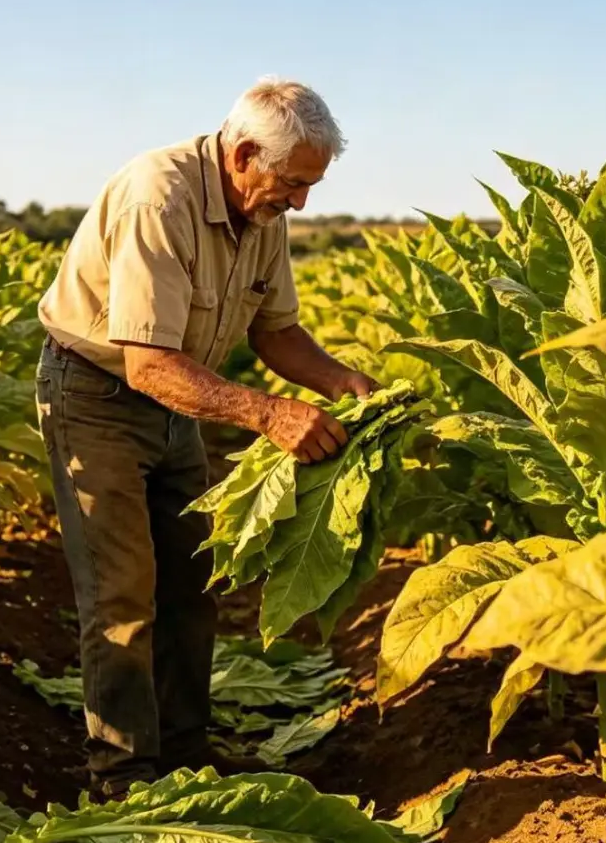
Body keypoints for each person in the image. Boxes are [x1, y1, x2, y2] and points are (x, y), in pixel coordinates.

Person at [34, 76, 378, 799]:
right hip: (97, 397)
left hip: (178, 401)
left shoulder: (265, 213)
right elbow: (146, 362)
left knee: (193, 583)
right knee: (123, 593)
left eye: (312, 185)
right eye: (293, 182)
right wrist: (271, 415)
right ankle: (123, 777)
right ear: (244, 152)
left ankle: (186, 755)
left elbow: (276, 331)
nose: (302, 202)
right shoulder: (159, 198)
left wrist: (346, 384)